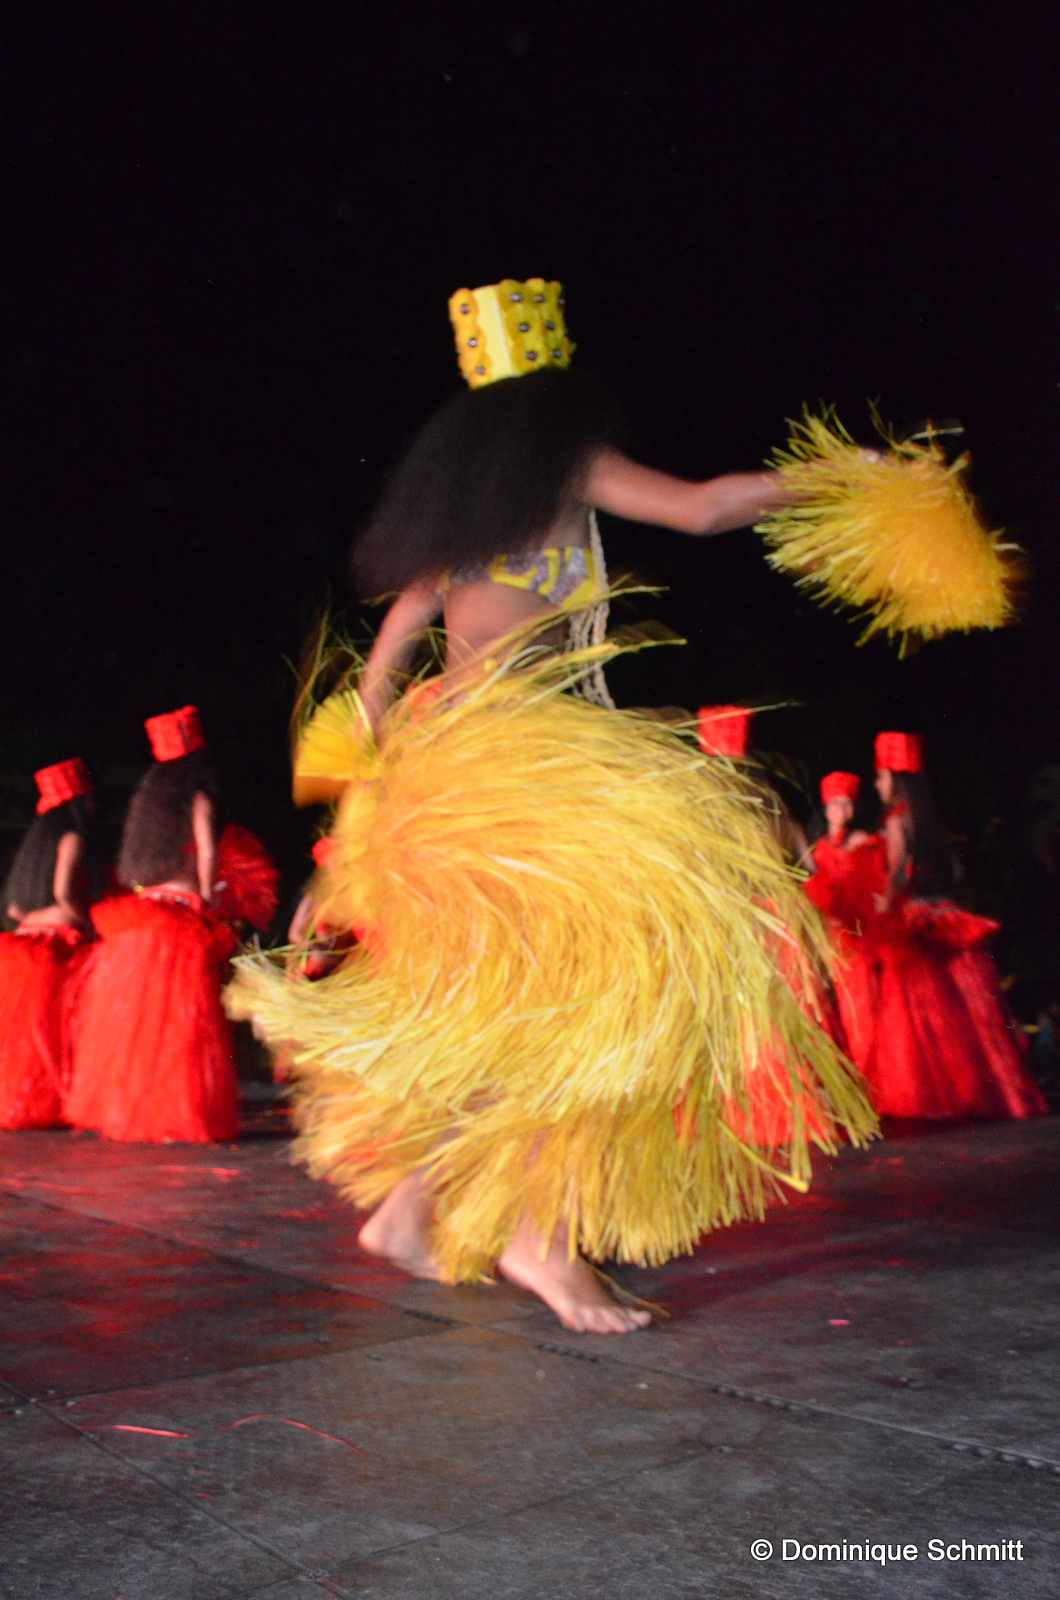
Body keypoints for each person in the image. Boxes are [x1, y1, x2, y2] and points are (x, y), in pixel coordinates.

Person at [229, 277, 876, 1334]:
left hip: (456, 775)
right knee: (591, 1000)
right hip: (530, 776)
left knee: (513, 1008)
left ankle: (412, 1208)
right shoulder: (567, 465)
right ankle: (535, 1237)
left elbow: (383, 674)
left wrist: (363, 816)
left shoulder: (460, 522)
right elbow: (706, 507)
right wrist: (840, 476)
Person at [65, 707, 248, 1143]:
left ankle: (131, 1113)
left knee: (137, 1024)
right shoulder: (198, 797)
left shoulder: (149, 804)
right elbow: (207, 852)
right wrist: (208, 895)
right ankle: (171, 1114)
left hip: (140, 916)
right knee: (178, 1026)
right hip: (177, 920)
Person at [858, 732, 1045, 1119]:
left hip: (915, 926)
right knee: (966, 1017)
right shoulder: (930, 820)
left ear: (896, 778)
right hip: (947, 917)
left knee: (919, 1018)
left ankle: (932, 1098)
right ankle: (978, 1094)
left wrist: (883, 903)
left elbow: (896, 874)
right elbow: (955, 871)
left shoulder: (897, 820)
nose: (877, 784)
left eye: (880, 776)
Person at [0, 759, 98, 1128]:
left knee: (28, 1035)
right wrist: (87, 922)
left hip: (23, 944)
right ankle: (52, 1104)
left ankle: (23, 1105)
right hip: (56, 946)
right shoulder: (72, 837)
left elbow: (13, 908)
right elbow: (63, 891)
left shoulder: (34, 847)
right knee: (56, 1030)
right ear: (78, 803)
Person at [803, 770, 882, 1071]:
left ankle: (869, 1070)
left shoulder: (862, 841)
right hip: (828, 938)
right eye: (835, 802)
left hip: (856, 937)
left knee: (861, 1005)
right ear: (825, 807)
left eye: (847, 803)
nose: (842, 808)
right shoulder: (817, 847)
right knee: (835, 1007)